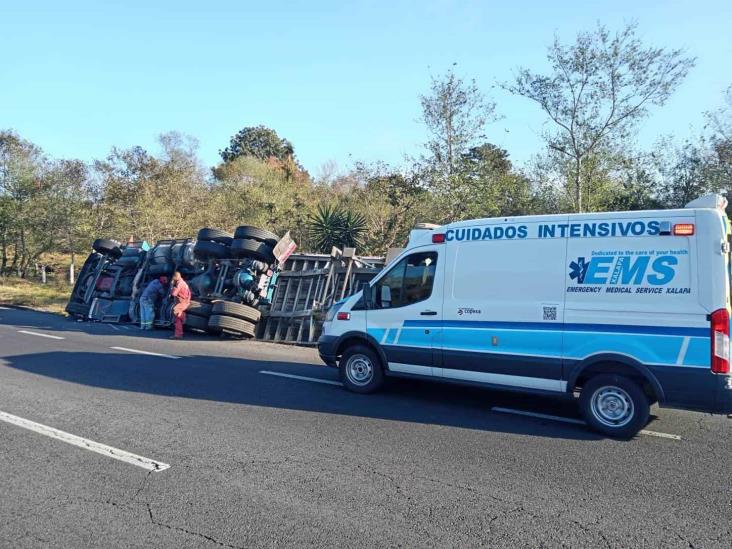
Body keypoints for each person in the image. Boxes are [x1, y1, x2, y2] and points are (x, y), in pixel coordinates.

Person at [169, 271, 191, 339]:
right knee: (177, 319)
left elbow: (174, 293)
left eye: (173, 277)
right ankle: (178, 334)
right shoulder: (183, 283)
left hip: (183, 302)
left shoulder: (180, 283)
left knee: (176, 310)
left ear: (176, 277)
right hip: (184, 301)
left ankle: (183, 316)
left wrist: (172, 286)